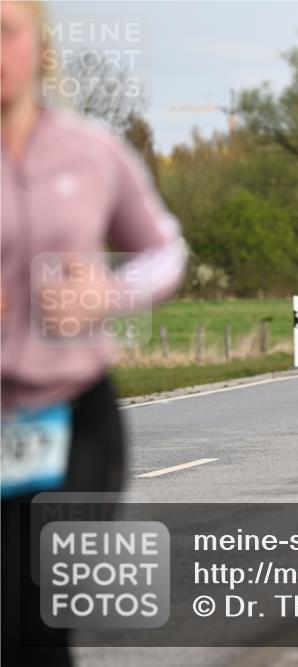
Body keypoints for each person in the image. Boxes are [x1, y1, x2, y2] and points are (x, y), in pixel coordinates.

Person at [1, 1, 187, 663]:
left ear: (39, 47)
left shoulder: (91, 151)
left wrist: (109, 291)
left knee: (38, 621)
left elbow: (164, 250)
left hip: (74, 416)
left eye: (5, 31)